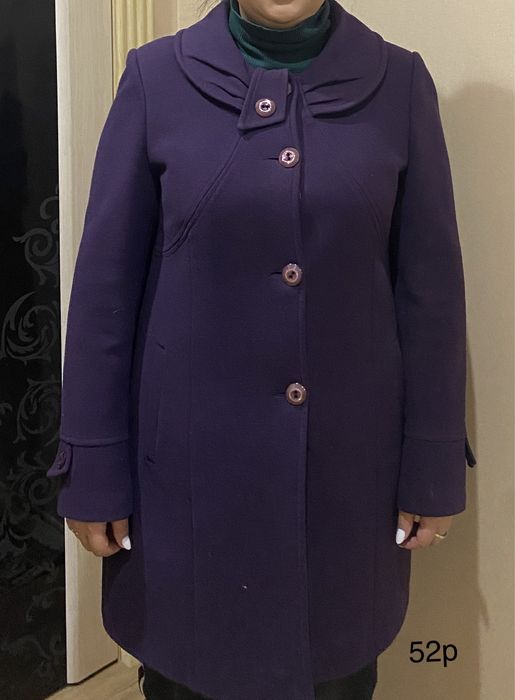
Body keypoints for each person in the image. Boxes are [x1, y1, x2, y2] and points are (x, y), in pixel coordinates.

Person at [46, 0, 477, 698]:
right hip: (183, 491)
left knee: (334, 676)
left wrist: (432, 465)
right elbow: (104, 296)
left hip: (347, 488)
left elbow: (430, 296)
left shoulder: (398, 85)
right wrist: (91, 470)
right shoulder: (155, 79)